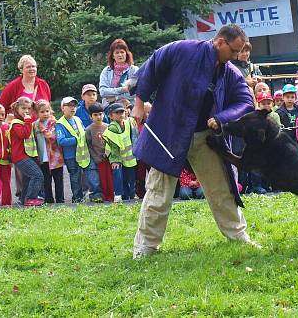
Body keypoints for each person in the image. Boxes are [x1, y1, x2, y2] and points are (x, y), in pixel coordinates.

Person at [131, 24, 258, 259]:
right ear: (220, 42)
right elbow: (152, 67)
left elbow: (245, 102)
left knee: (222, 189)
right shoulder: (181, 49)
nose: (236, 57)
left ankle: (238, 235)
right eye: (234, 51)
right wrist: (139, 102)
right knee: (158, 191)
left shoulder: (230, 72)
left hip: (205, 138)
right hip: (169, 132)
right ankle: (145, 247)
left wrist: (221, 118)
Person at [8, 97, 44, 206]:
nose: (26, 111)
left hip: (27, 156)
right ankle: (30, 198)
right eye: (23, 108)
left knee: (28, 179)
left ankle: (24, 200)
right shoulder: (16, 123)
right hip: (20, 157)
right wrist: (28, 121)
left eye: (29, 108)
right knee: (37, 175)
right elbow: (24, 134)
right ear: (16, 109)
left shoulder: (25, 122)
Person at [56, 97, 90, 203]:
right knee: (75, 176)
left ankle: (82, 196)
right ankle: (77, 198)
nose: (72, 108)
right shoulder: (60, 124)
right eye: (69, 106)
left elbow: (84, 131)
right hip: (70, 156)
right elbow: (61, 141)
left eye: (74, 106)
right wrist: (77, 139)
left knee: (83, 176)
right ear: (62, 108)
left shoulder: (77, 119)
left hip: (82, 153)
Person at [103, 102, 138, 202]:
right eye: (117, 112)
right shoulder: (112, 127)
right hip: (116, 156)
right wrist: (115, 160)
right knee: (118, 175)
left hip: (128, 156)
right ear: (111, 116)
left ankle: (129, 195)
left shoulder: (128, 123)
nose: (120, 114)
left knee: (129, 177)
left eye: (122, 111)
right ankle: (118, 195)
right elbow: (113, 146)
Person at [35, 100, 65, 204]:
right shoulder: (35, 125)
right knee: (46, 181)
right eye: (42, 112)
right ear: (37, 113)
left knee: (59, 181)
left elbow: (57, 137)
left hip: (56, 158)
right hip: (43, 158)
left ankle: (60, 200)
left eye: (47, 111)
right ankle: (48, 200)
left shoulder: (55, 123)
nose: (45, 114)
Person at [85, 103, 113, 203]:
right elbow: (89, 146)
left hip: (109, 157)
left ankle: (112, 195)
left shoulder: (108, 127)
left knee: (110, 177)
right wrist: (96, 157)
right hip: (97, 159)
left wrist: (108, 154)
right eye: (95, 115)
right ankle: (100, 196)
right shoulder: (88, 130)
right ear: (90, 116)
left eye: (100, 114)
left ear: (104, 114)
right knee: (100, 178)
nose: (98, 117)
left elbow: (112, 143)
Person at [99, 39, 140, 106]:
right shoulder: (106, 71)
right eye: (117, 52)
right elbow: (103, 92)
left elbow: (135, 93)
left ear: (126, 54)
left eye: (122, 52)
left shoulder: (134, 70)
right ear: (112, 56)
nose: (120, 55)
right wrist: (122, 89)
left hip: (129, 107)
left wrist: (116, 97)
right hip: (109, 108)